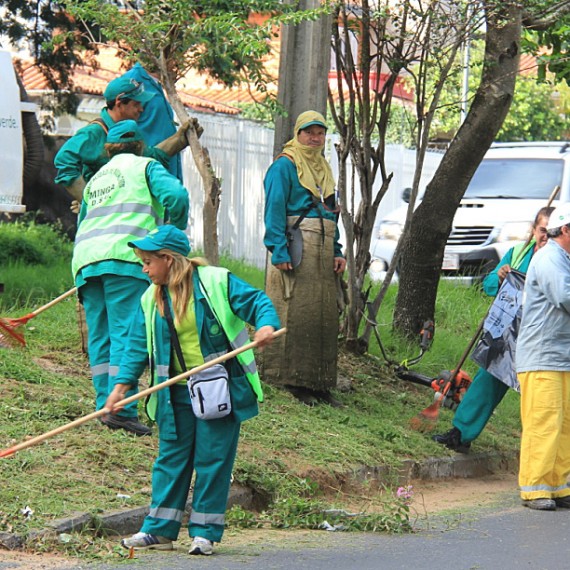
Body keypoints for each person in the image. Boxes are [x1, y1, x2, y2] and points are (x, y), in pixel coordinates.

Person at [104, 225, 280, 555]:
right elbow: (136, 346)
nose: (144, 270)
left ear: (168, 259)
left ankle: (205, 533)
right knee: (170, 460)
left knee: (212, 459)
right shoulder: (150, 298)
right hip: (174, 395)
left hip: (219, 389)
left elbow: (256, 301)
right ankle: (158, 531)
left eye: (147, 262)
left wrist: (266, 324)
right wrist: (121, 388)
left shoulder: (215, 281)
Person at [72, 120, 189, 436]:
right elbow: (177, 196)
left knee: (100, 336)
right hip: (126, 259)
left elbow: (83, 221)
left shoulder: (96, 179)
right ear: (140, 146)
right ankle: (121, 410)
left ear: (108, 149)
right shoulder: (146, 166)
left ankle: (105, 406)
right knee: (126, 333)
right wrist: (172, 235)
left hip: (86, 261)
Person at [433, 206, 554, 453]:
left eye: (551, 232)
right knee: (487, 380)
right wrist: (499, 276)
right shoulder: (519, 253)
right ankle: (461, 434)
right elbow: (488, 285)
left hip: (544, 338)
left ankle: (545, 452)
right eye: (543, 230)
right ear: (533, 230)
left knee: (542, 397)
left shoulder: (561, 260)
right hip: (509, 333)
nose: (546, 236)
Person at [262, 110, 346, 406]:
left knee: (320, 317)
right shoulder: (284, 166)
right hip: (296, 248)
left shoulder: (323, 168)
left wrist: (337, 250)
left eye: (320, 133)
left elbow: (331, 213)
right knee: (293, 313)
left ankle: (318, 383)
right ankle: (291, 379)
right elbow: (274, 208)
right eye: (309, 132)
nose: (315, 138)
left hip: (322, 250)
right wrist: (278, 249)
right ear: (297, 134)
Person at [54, 74, 190, 202]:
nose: (141, 109)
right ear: (119, 102)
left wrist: (180, 139)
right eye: (136, 104)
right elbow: (64, 161)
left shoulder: (130, 131)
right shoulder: (94, 133)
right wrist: (88, 201)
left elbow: (150, 157)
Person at [516, 203, 570, 511]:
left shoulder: (564, 259)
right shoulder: (550, 257)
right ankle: (535, 488)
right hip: (542, 356)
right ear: (566, 230)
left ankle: (558, 486)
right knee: (544, 423)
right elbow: (565, 296)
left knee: (564, 425)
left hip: (561, 356)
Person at [122, 63, 183, 180]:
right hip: (148, 172)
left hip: (166, 171)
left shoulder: (158, 83)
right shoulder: (133, 79)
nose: (175, 62)